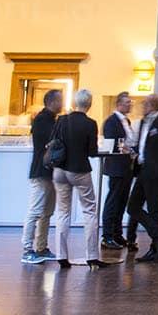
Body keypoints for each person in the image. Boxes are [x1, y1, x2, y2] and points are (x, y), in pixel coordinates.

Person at [50, 89, 108, 269]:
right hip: (79, 170)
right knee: (89, 211)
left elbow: (53, 141)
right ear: (89, 104)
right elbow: (92, 152)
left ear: (75, 103)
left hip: (60, 170)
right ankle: (91, 255)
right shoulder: (90, 123)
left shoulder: (62, 120)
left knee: (63, 211)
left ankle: (61, 254)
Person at [127, 93, 158, 264]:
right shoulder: (143, 122)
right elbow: (142, 144)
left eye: (145, 103)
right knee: (133, 206)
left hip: (156, 171)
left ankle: (155, 249)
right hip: (143, 169)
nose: (142, 106)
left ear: (152, 105)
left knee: (155, 209)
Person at [21, 89, 62, 264]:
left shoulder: (50, 119)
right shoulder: (42, 120)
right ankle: (27, 249)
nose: (62, 103)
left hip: (49, 172)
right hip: (41, 170)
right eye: (60, 100)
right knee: (35, 210)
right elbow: (51, 142)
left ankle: (42, 247)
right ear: (52, 102)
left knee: (47, 212)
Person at [101, 91, 137, 249]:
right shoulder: (111, 121)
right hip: (116, 166)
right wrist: (124, 148)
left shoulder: (127, 121)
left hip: (126, 166)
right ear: (119, 104)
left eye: (130, 102)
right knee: (113, 200)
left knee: (122, 200)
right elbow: (112, 143)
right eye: (127, 102)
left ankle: (117, 233)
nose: (130, 104)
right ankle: (107, 235)